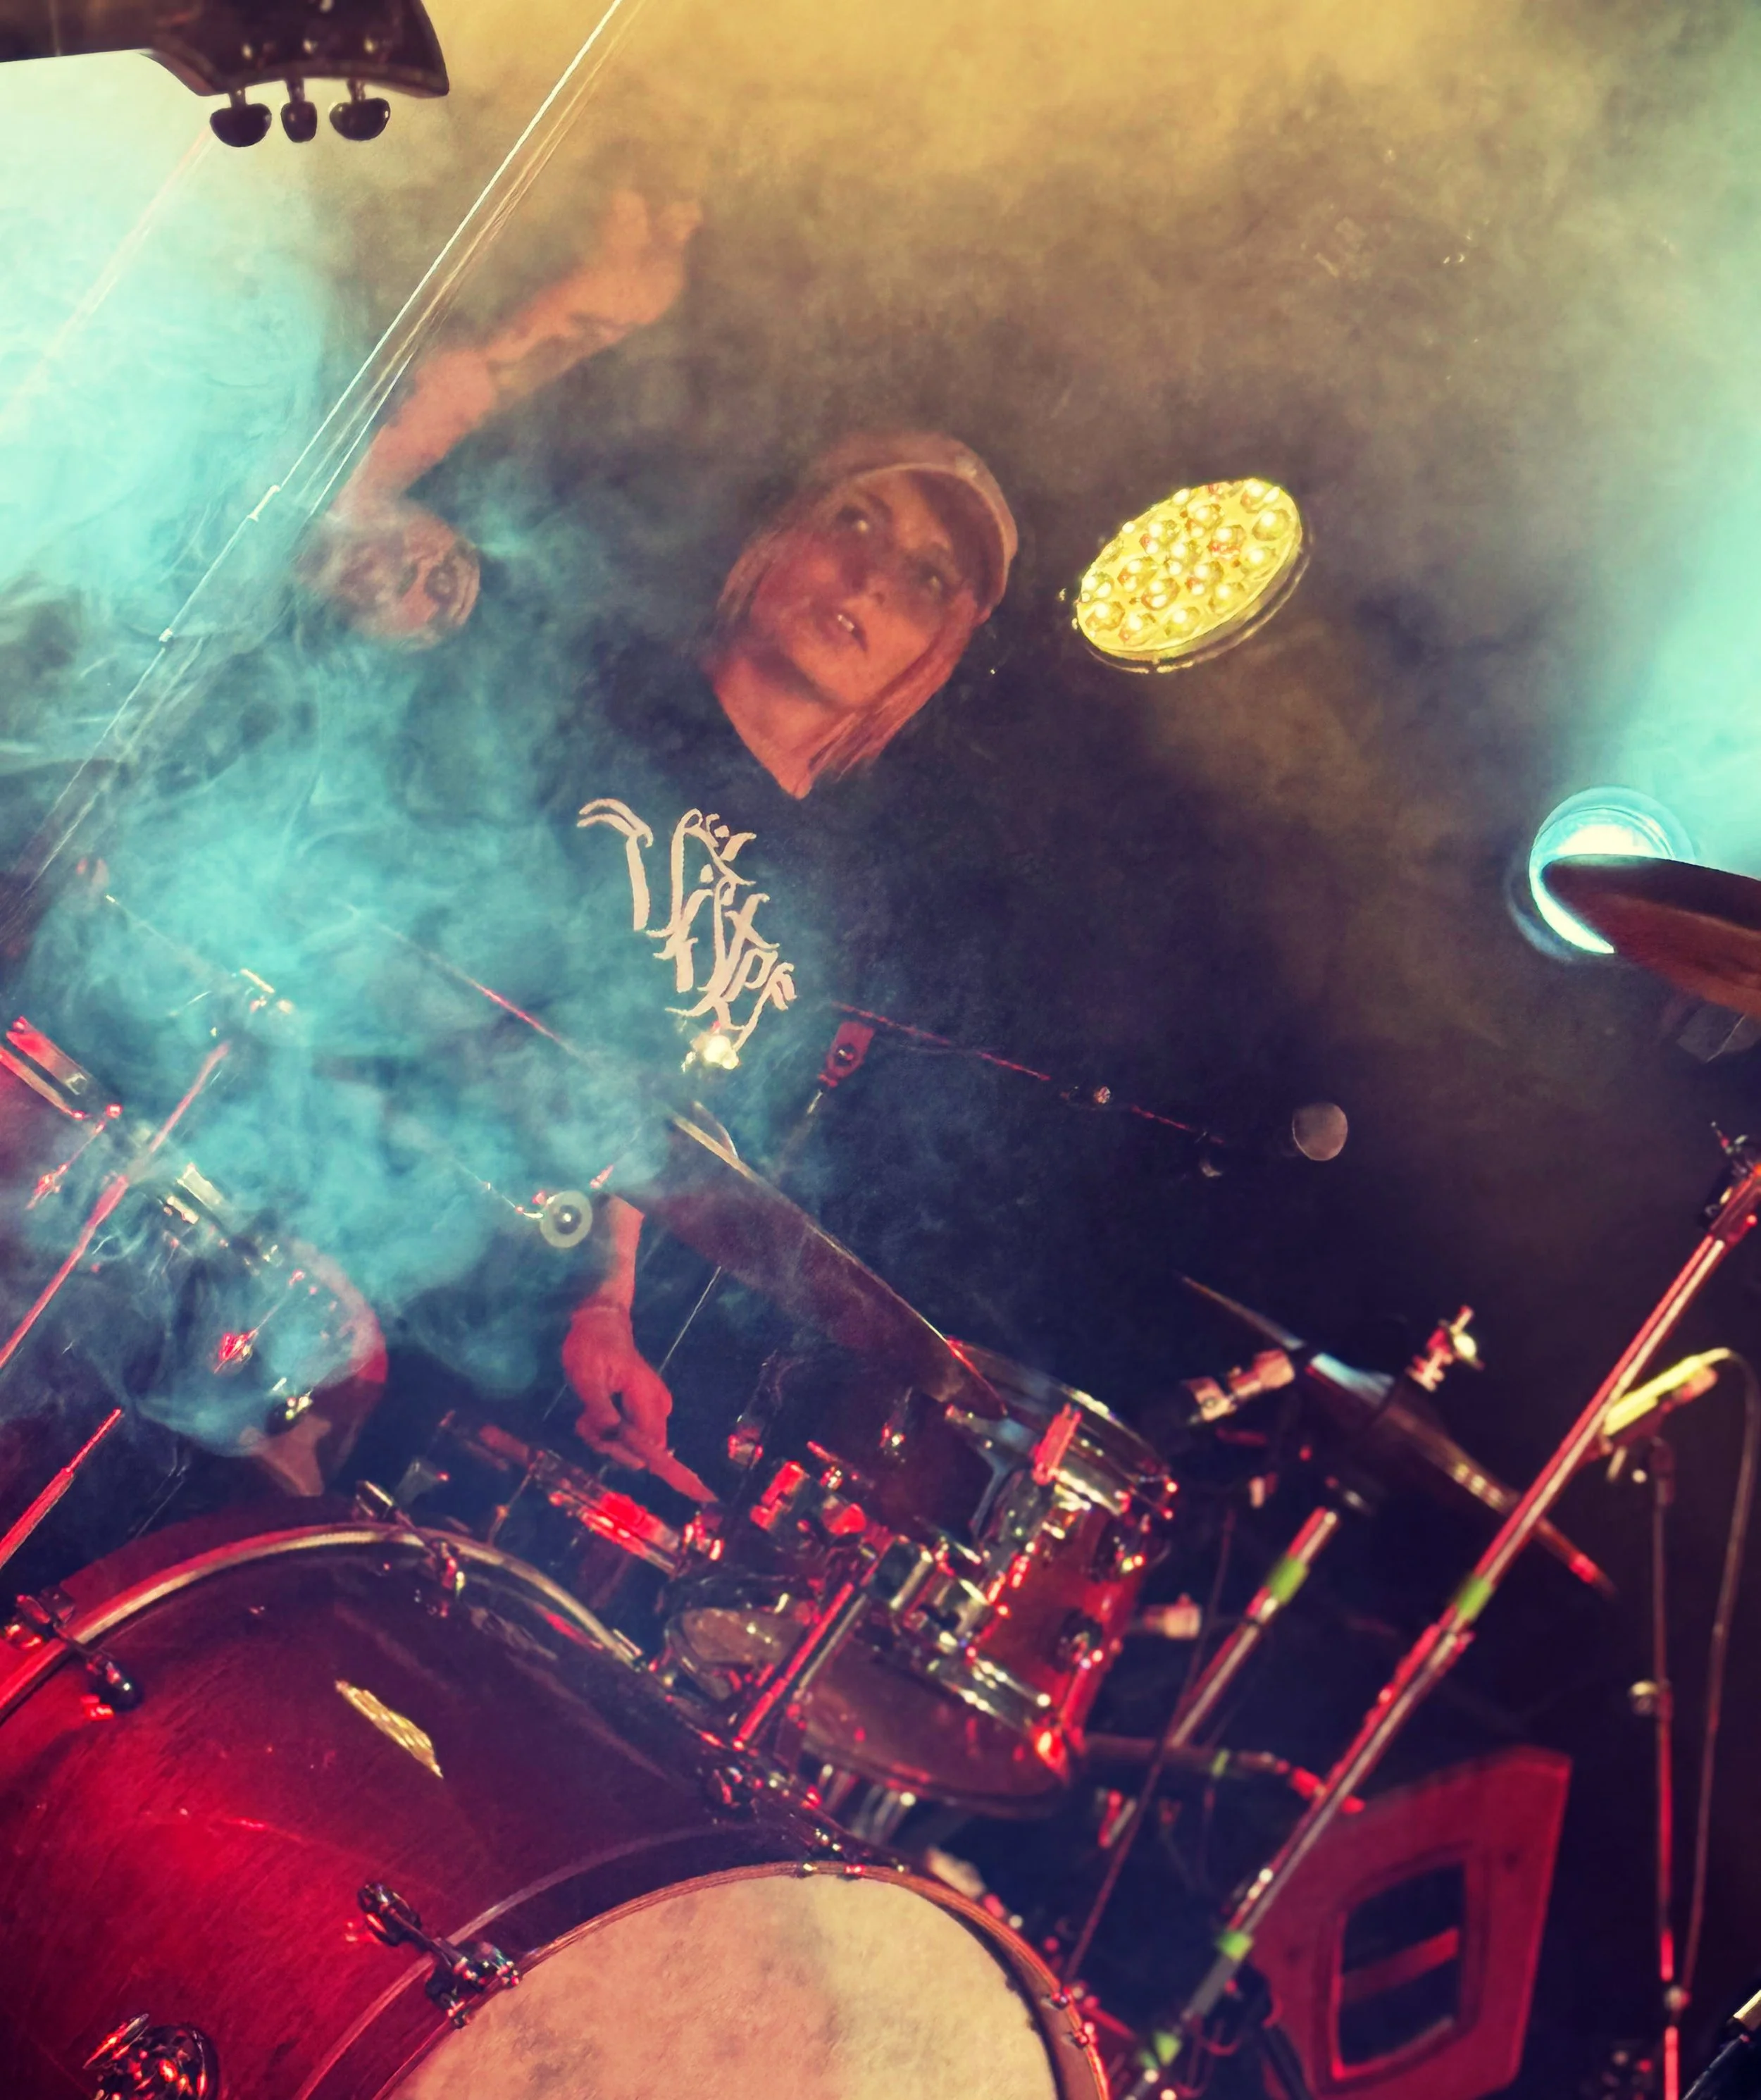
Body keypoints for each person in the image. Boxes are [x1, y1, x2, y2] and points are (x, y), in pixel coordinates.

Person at [307, 186, 1018, 1497]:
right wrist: (576, 317)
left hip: (471, 1359)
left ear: (934, 655)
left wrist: (605, 1313)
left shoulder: (823, 908)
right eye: (856, 521)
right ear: (776, 542)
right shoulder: (581, 661)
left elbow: (657, 1131)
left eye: (926, 576)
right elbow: (335, 514)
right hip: (303, 1202)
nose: (874, 577)